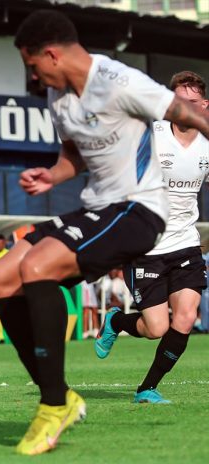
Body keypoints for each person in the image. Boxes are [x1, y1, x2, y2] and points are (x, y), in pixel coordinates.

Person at [0, 10, 209, 455]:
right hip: (99, 209)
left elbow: (179, 108)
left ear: (51, 54)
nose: (32, 76)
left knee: (37, 266)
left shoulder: (117, 79)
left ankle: (51, 406)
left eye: (32, 65)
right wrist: (52, 175)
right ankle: (61, 396)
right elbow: (74, 154)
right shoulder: (58, 96)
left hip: (141, 211)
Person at [95, 71, 209, 403]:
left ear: (203, 105)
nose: (182, 109)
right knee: (155, 328)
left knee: (186, 317)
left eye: (190, 103)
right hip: (147, 245)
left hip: (186, 242)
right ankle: (116, 322)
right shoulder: (152, 134)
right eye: (176, 102)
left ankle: (147, 388)